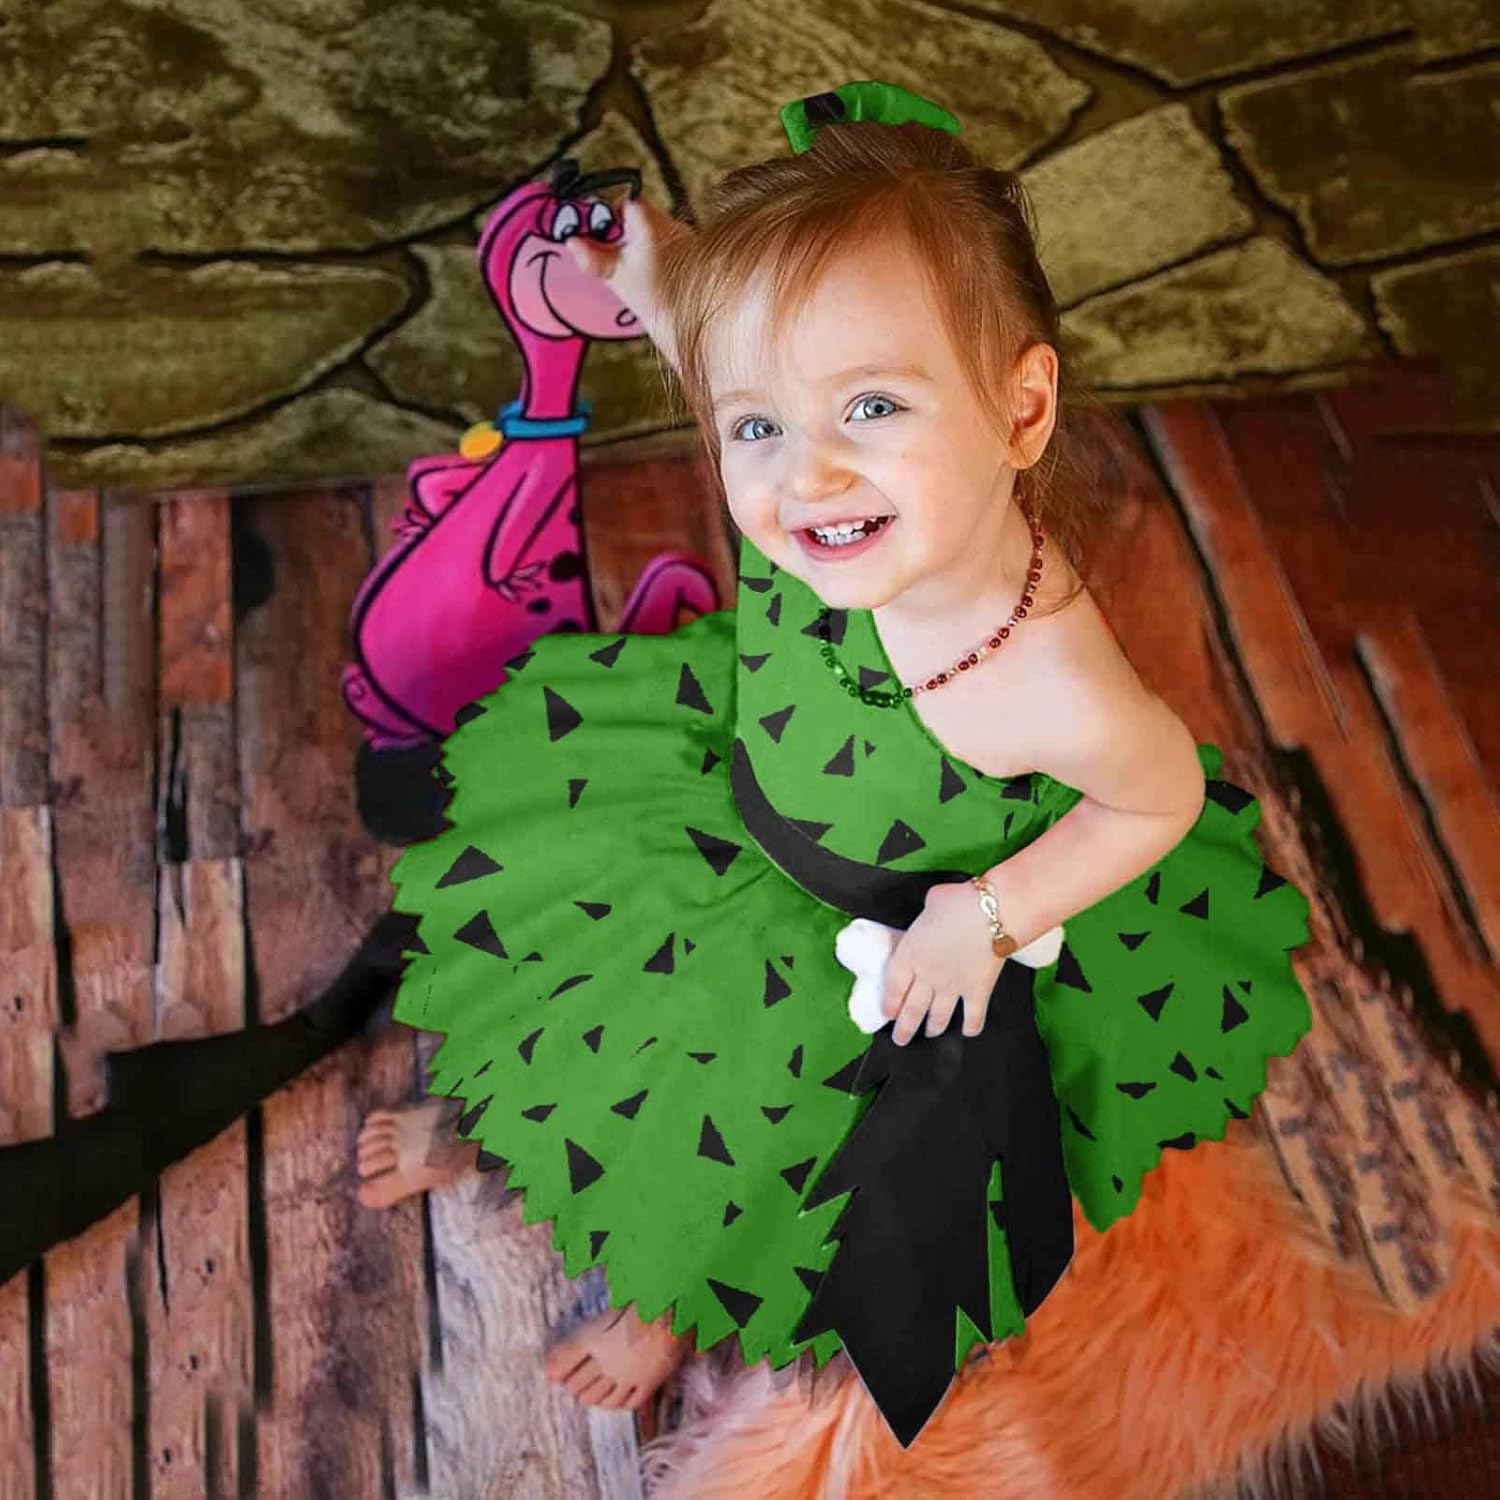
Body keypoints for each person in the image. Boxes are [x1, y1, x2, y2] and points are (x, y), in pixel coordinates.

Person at [357, 81, 1314, 1445]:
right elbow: (711, 332)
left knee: (739, 1127)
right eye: (759, 427)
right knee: (579, 1003)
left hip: (876, 931)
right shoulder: (829, 495)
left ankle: (671, 1289)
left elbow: (1156, 797)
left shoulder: (1046, 669)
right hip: (728, 804)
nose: (805, 478)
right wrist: (640, 259)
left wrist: (989, 917)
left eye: (872, 406)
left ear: (1020, 410)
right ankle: (506, 1135)